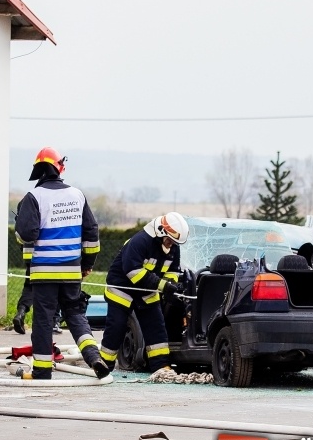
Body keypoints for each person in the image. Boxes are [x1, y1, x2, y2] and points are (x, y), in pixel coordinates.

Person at [14, 147, 109, 380]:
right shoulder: (77, 195)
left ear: (38, 171)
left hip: (44, 272)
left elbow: (27, 234)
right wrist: (86, 264)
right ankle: (94, 357)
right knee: (76, 315)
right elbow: (92, 233)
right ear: (59, 167)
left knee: (44, 320)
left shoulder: (33, 197)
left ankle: (43, 369)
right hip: (71, 271)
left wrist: (19, 228)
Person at [98, 212, 188, 373]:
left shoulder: (174, 247)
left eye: (174, 242)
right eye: (169, 241)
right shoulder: (140, 241)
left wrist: (171, 283)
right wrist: (162, 285)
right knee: (116, 327)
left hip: (147, 290)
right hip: (122, 289)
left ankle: (161, 366)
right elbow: (133, 271)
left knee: (156, 327)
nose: (171, 245)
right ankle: (104, 365)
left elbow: (173, 270)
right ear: (161, 232)